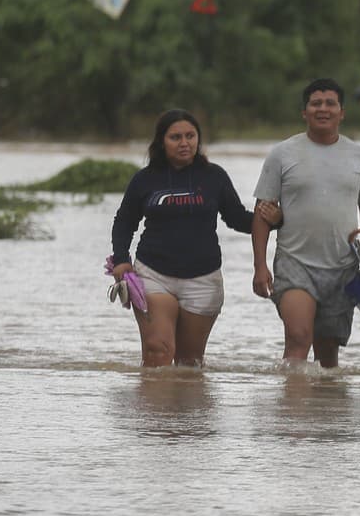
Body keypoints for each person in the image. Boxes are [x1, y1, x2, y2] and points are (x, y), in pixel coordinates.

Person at [108, 109, 279, 367]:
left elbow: (236, 219)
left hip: (203, 278)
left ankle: (186, 409)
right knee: (158, 350)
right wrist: (121, 259)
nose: (184, 143)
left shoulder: (214, 177)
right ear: (161, 142)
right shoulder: (145, 179)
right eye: (175, 137)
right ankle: (152, 409)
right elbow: (124, 221)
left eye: (190, 136)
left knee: (190, 363)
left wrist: (275, 220)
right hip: (153, 274)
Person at [252, 78, 360, 368]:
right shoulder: (282, 154)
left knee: (328, 354)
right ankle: (293, 411)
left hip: (343, 267)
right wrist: (259, 265)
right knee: (298, 337)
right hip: (294, 263)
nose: (322, 109)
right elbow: (262, 213)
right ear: (304, 112)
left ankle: (324, 412)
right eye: (316, 103)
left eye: (330, 104)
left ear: (342, 112)